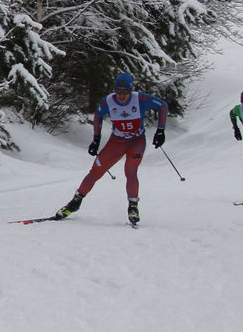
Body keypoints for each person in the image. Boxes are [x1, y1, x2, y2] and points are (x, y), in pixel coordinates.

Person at [53, 72, 168, 225]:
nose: (121, 96)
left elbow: (163, 106)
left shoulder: (140, 99)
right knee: (95, 172)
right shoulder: (107, 101)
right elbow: (98, 117)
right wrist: (96, 140)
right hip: (117, 142)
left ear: (130, 90)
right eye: (118, 91)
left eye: (125, 92)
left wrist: (161, 130)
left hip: (137, 141)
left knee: (130, 170)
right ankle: (75, 203)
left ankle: (133, 206)